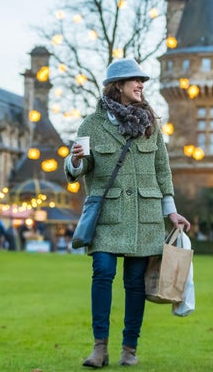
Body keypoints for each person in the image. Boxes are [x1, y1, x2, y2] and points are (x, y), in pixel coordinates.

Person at [64, 58, 190, 368]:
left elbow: (162, 168)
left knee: (135, 284)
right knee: (103, 273)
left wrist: (171, 211)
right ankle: (99, 347)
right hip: (107, 216)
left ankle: (129, 349)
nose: (141, 85)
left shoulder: (151, 124)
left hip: (144, 217)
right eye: (135, 80)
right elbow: (80, 169)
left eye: (142, 82)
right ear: (117, 86)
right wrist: (76, 161)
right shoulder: (90, 125)